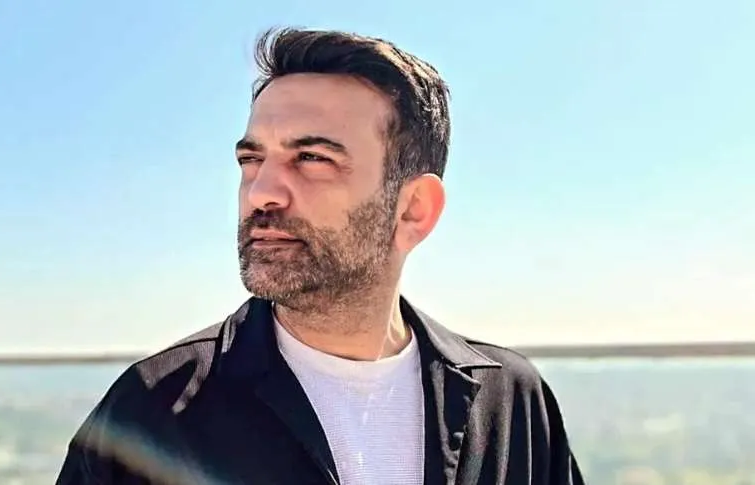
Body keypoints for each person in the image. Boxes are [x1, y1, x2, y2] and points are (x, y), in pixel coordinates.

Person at [56, 27, 585, 485]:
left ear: (414, 210)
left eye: (311, 158)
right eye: (252, 159)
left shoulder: (511, 400)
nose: (262, 192)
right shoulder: (152, 412)